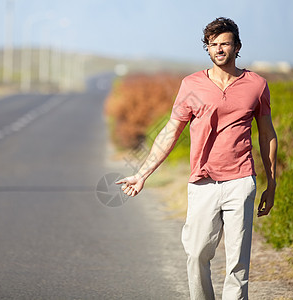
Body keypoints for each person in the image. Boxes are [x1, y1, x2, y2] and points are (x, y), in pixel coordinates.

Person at [116, 17, 277, 300]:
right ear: (207, 49)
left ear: (237, 47)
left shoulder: (256, 85)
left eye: (224, 43)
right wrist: (142, 174)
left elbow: (267, 135)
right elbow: (170, 132)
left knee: (238, 262)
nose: (218, 49)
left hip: (241, 180)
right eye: (212, 44)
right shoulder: (191, 85)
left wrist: (272, 184)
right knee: (197, 253)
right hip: (203, 182)